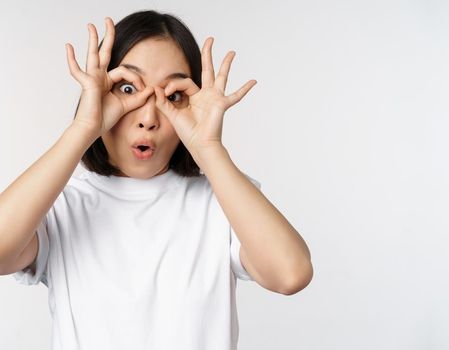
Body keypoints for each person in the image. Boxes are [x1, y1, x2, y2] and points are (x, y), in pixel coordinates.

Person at [0, 10, 313, 350]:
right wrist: (82, 129)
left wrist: (208, 148)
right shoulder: (61, 204)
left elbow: (290, 274)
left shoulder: (221, 203)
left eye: (173, 96)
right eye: (128, 88)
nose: (148, 117)